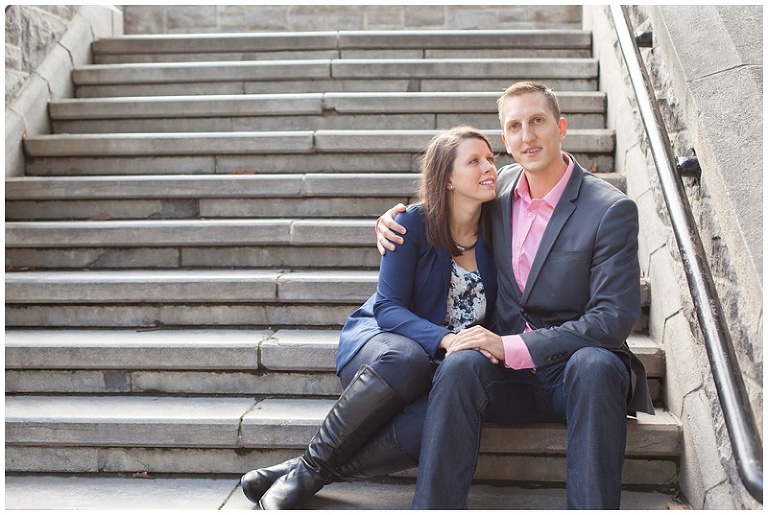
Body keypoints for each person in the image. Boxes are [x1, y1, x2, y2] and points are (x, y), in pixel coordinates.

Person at [376, 81, 655, 510]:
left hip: (574, 375)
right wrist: (398, 219)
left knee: (597, 364)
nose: (528, 136)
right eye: (515, 127)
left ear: (560, 127)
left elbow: (612, 320)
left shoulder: (609, 209)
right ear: (505, 140)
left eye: (538, 121)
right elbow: (447, 206)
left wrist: (512, 345)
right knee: (461, 362)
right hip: (508, 377)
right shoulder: (498, 188)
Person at [240, 126, 499, 510]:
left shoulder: (500, 230)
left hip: (443, 365)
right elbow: (389, 308)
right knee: (407, 360)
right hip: (383, 347)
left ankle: (306, 470)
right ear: (446, 179)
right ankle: (309, 470)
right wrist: (443, 339)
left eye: (492, 159)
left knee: (438, 417)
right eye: (474, 161)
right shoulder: (410, 224)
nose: (489, 168)